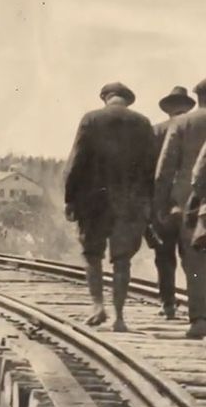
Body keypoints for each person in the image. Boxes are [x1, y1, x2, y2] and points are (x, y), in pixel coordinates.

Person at [64, 82, 156, 332]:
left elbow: (76, 161)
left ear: (105, 98)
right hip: (130, 203)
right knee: (122, 259)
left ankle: (97, 306)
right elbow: (152, 167)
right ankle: (119, 317)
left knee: (92, 255)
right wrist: (149, 202)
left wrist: (70, 198)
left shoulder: (91, 119)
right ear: (128, 100)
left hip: (94, 202)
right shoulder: (143, 123)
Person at [155, 78, 206, 338]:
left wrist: (160, 204)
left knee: (195, 259)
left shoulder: (182, 123)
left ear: (198, 97)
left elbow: (165, 169)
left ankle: (199, 319)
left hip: (191, 200)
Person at [147, 86, 197, 318]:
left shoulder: (156, 131)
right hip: (192, 200)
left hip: (165, 201)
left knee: (164, 254)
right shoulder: (195, 126)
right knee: (193, 256)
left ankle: (167, 304)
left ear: (167, 109)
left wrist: (153, 204)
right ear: (188, 106)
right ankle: (196, 306)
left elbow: (151, 169)